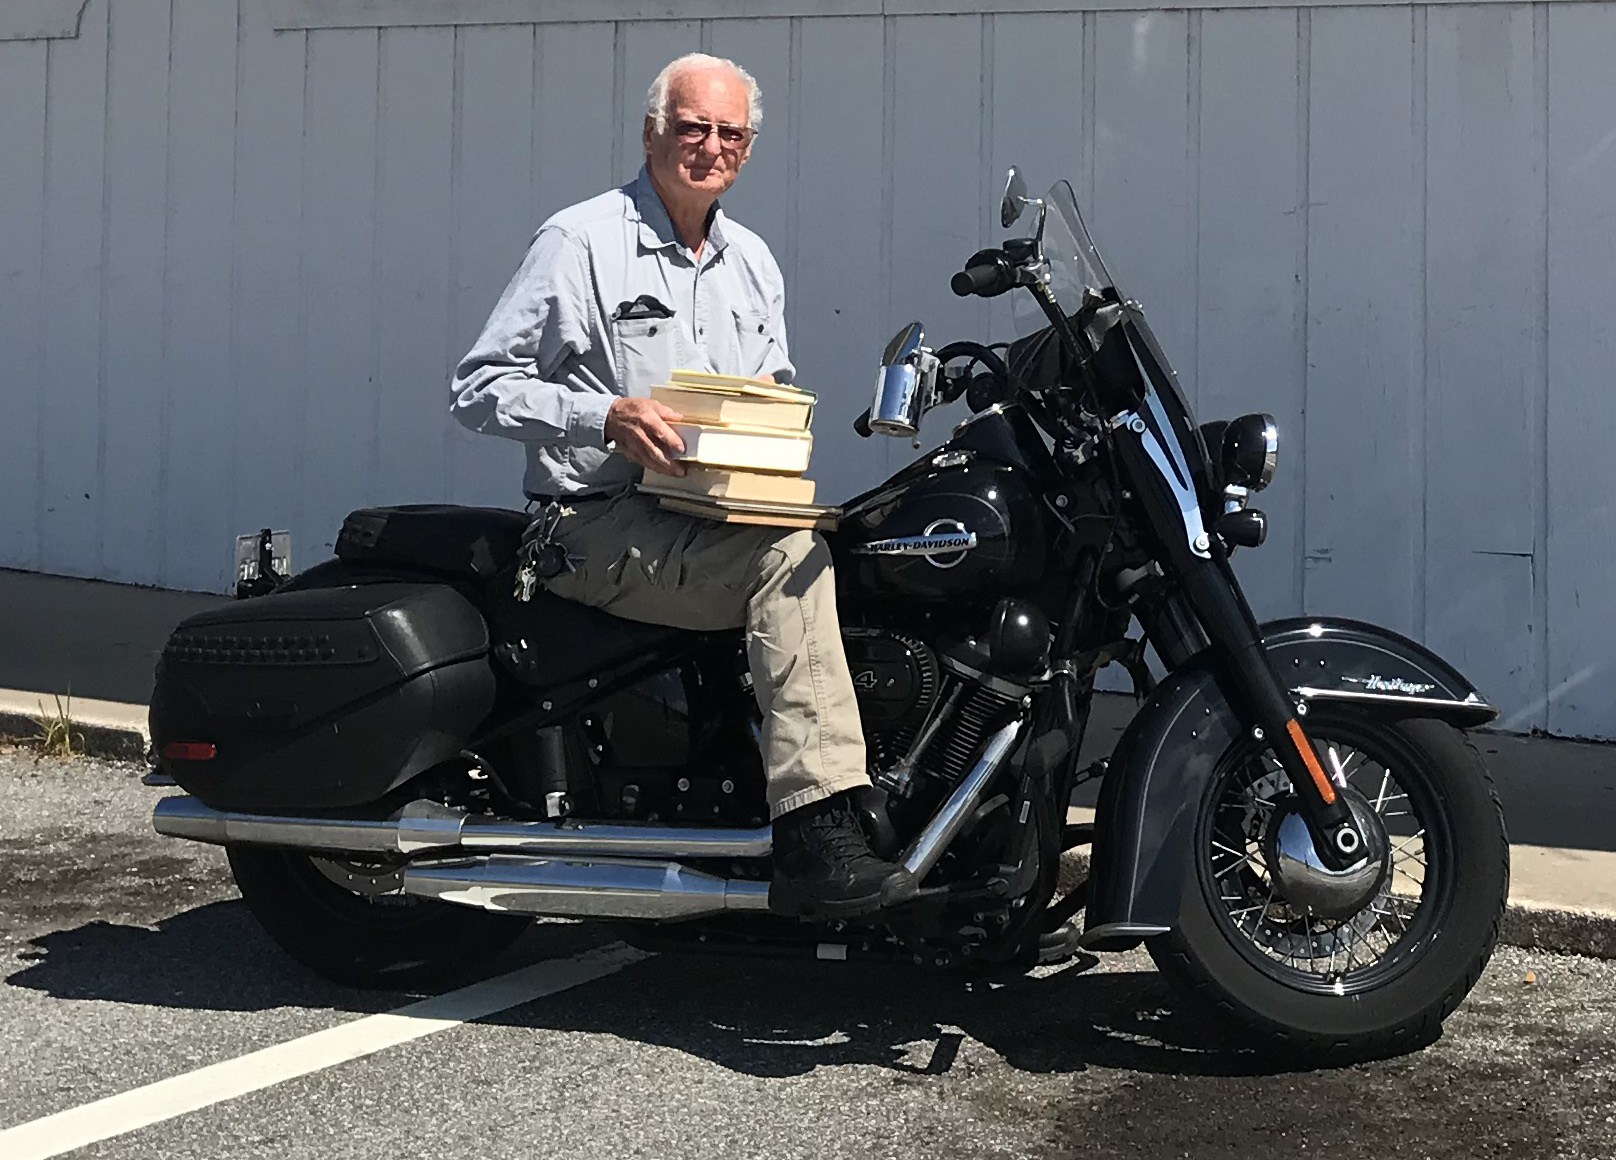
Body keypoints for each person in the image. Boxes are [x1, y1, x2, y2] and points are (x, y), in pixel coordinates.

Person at [450, 53, 916, 919]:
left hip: (710, 513)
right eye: (693, 127)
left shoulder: (752, 262)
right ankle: (816, 836)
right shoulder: (581, 241)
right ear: (652, 132)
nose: (711, 146)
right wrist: (605, 416)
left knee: (860, 544)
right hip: (593, 521)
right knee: (790, 563)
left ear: (748, 146)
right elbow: (478, 388)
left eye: (729, 132)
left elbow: (769, 389)